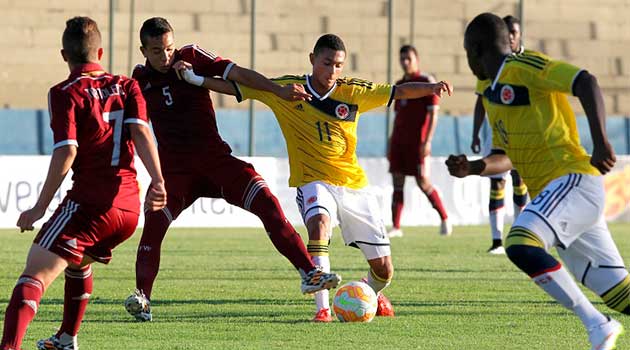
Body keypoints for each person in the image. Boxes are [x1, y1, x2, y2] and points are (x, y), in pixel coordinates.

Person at [176, 34, 452, 322]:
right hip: (313, 180)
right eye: (327, 63)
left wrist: (432, 88)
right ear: (312, 59)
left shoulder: (353, 92)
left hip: (354, 187)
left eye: (338, 65)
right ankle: (322, 309)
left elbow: (399, 91)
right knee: (319, 225)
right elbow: (237, 88)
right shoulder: (285, 90)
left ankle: (370, 292)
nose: (333, 71)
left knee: (384, 269)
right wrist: (196, 80)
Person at [124, 17, 341, 322]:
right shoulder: (139, 80)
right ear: (143, 50)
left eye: (169, 48)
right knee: (154, 225)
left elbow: (238, 74)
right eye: (157, 51)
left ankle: (309, 273)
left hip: (216, 162)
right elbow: (132, 125)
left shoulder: (193, 57)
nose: (166, 57)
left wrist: (277, 91)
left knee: (266, 201)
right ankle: (142, 298)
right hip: (176, 173)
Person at [448, 12, 626, 350]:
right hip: (559, 200)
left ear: (476, 49)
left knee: (519, 242)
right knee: (621, 294)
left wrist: (601, 141)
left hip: (573, 180)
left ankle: (597, 324)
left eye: (467, 52)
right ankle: (603, 319)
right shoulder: (488, 89)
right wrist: (473, 168)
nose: (468, 60)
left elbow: (585, 81)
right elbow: (506, 156)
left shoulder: (525, 68)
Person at [1, 17, 167, 350]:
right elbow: (142, 132)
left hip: (90, 203)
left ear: (64, 55)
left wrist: (39, 207)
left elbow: (67, 152)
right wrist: (159, 181)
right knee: (78, 261)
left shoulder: (64, 93)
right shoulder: (127, 85)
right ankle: (66, 338)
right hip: (128, 209)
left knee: (34, 275)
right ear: (100, 52)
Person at [470, 15, 528, 254]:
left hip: (525, 137)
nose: (511, 37)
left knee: (520, 183)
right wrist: (475, 134)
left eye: (515, 32)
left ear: (519, 34)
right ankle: (496, 241)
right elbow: (481, 101)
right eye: (508, 33)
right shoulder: (489, 67)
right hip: (498, 136)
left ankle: (520, 234)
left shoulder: (527, 63)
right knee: (497, 183)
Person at [387, 45, 451, 238]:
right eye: (402, 59)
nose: (405, 62)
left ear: (417, 59)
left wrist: (427, 141)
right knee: (397, 181)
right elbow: (397, 116)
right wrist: (391, 141)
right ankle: (396, 227)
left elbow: (433, 115)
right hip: (399, 142)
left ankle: (445, 218)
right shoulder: (400, 85)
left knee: (423, 181)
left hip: (418, 143)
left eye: (409, 58)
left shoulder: (426, 82)